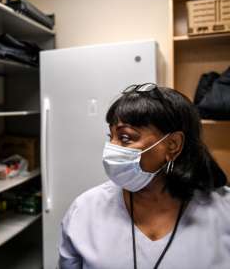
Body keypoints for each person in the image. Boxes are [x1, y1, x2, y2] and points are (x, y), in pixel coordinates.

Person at [59, 83, 229, 269]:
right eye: (111, 137)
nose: (112, 148)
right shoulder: (85, 210)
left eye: (125, 138)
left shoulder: (223, 211)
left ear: (173, 145)